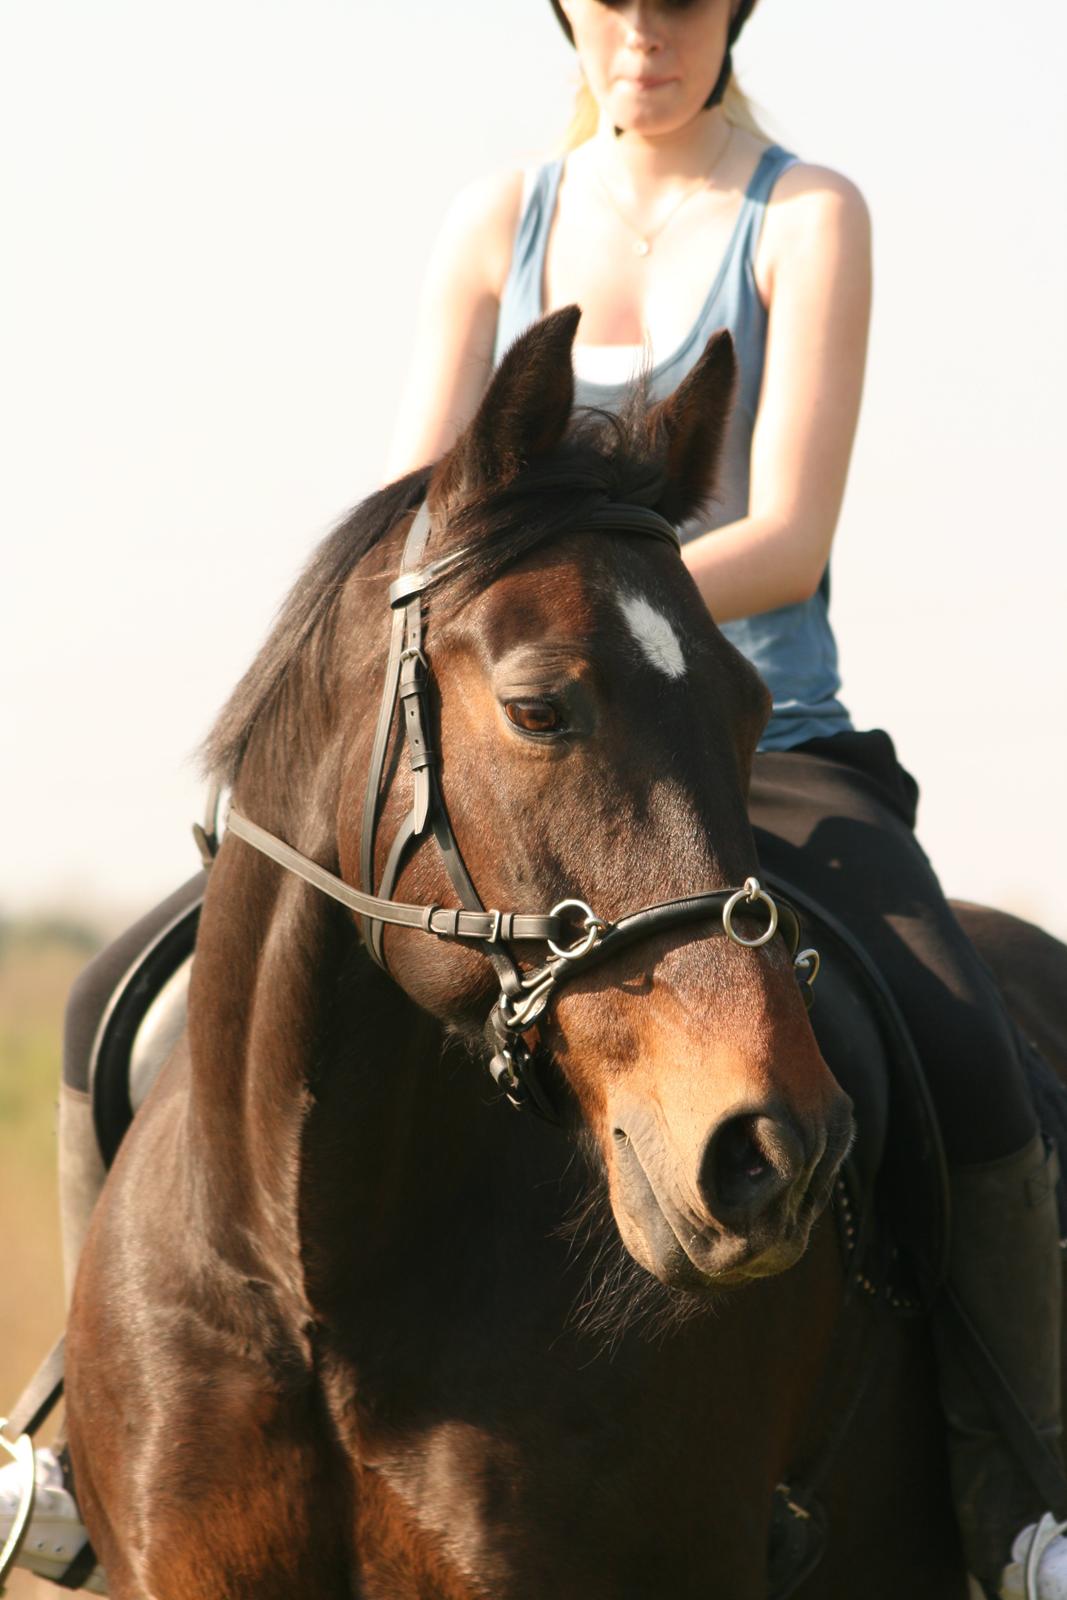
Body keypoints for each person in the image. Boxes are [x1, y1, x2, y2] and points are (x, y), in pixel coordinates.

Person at [0, 3, 1061, 1595]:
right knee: (113, 1003)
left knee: (963, 1033)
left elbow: (787, 524)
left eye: (686, 2)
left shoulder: (805, 211)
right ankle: (72, 1448)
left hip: (740, 727)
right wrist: (509, 648)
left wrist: (591, 627)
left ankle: (1020, 1497)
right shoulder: (502, 215)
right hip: (505, 730)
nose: (648, 30)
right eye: (616, 0)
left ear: (731, 18)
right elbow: (418, 511)